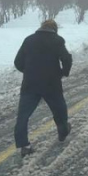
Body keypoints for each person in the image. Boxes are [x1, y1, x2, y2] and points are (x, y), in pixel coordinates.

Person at [13, 19, 73, 157]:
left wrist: (29, 72)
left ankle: (24, 145)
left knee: (23, 116)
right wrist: (63, 72)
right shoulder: (57, 40)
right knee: (59, 109)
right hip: (51, 83)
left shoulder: (28, 40)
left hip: (30, 84)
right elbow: (67, 58)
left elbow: (18, 62)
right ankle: (63, 131)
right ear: (54, 29)